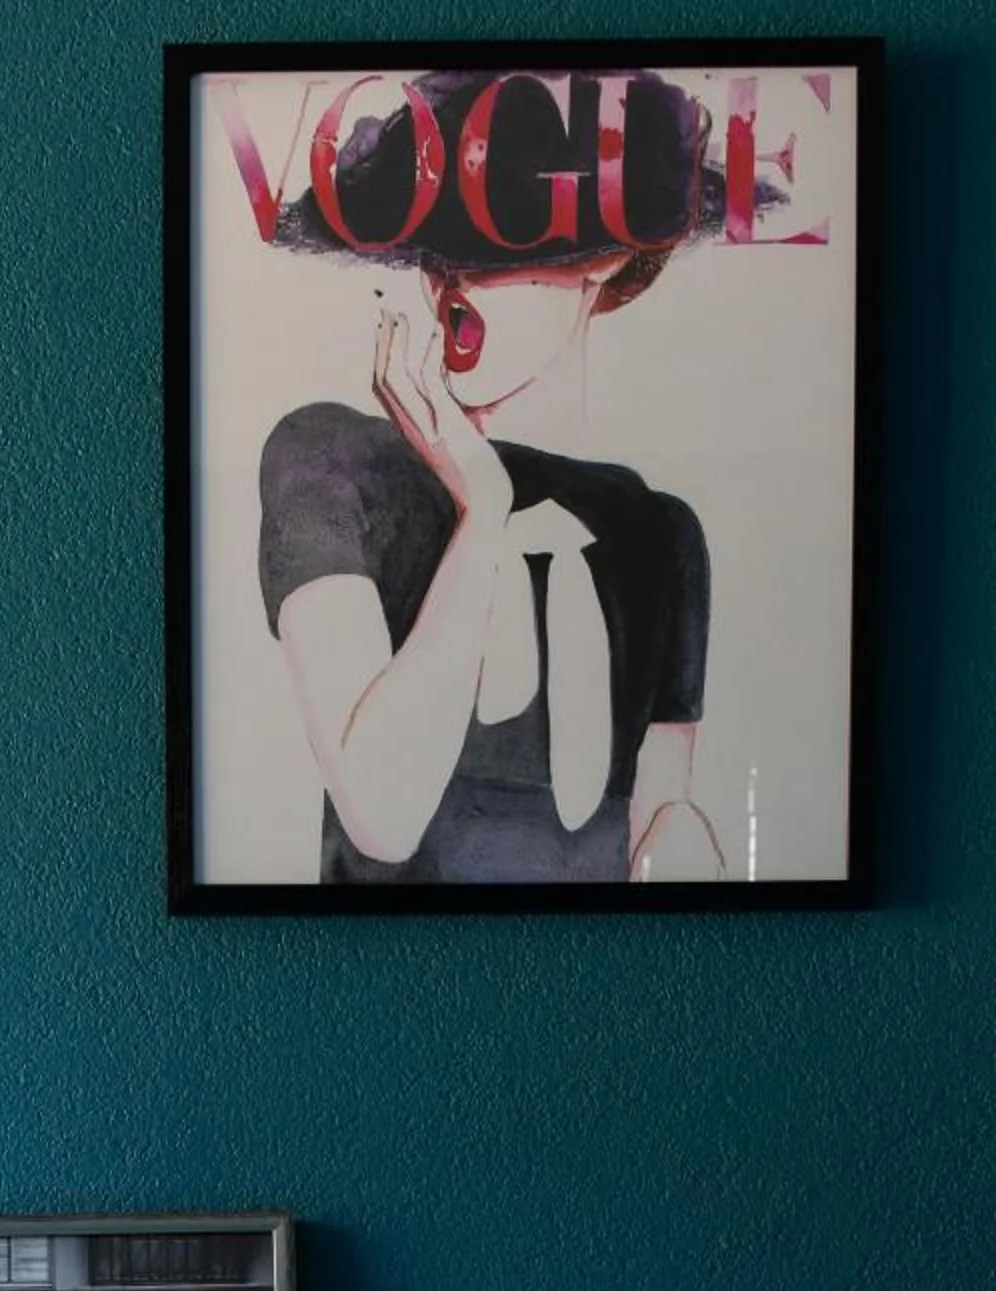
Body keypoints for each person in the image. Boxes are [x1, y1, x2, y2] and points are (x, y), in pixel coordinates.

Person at [260, 69, 729, 885]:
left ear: (608, 255)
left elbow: (657, 838)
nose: (453, 281)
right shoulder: (331, 461)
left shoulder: (660, 532)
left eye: (502, 238)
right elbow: (383, 816)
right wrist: (482, 514)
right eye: (438, 246)